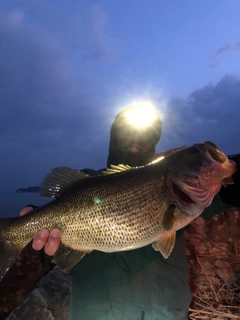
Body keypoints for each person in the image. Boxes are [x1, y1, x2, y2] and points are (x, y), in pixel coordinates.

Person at [21, 104, 240, 320]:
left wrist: (231, 170)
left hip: (165, 314)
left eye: (146, 135)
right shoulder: (88, 181)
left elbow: (232, 191)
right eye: (125, 130)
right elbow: (59, 208)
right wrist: (31, 218)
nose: (136, 139)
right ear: (113, 137)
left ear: (154, 143)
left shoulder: (182, 186)